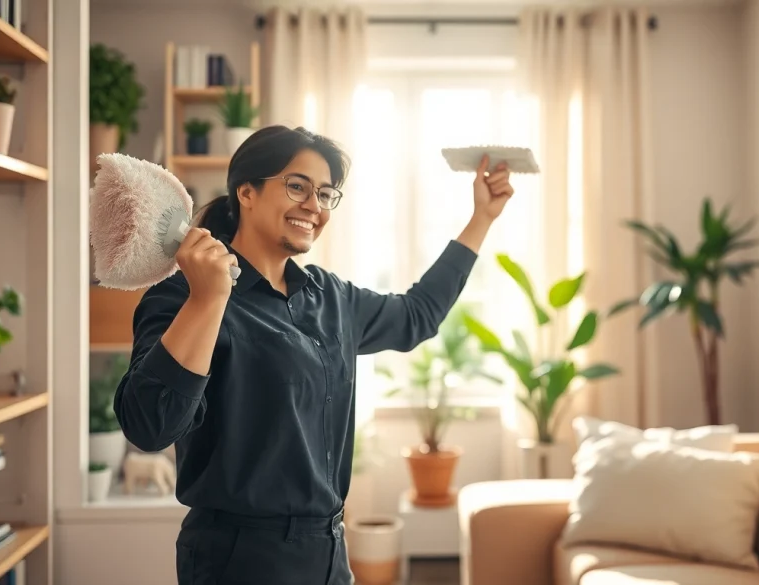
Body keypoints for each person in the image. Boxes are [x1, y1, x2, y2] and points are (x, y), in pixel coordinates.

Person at [112, 124, 515, 584]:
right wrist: (207, 301)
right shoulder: (183, 295)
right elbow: (149, 426)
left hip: (328, 556)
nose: (314, 207)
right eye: (297, 186)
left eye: (325, 194)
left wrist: (481, 218)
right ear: (246, 191)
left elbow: (417, 316)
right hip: (238, 562)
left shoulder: (332, 298)